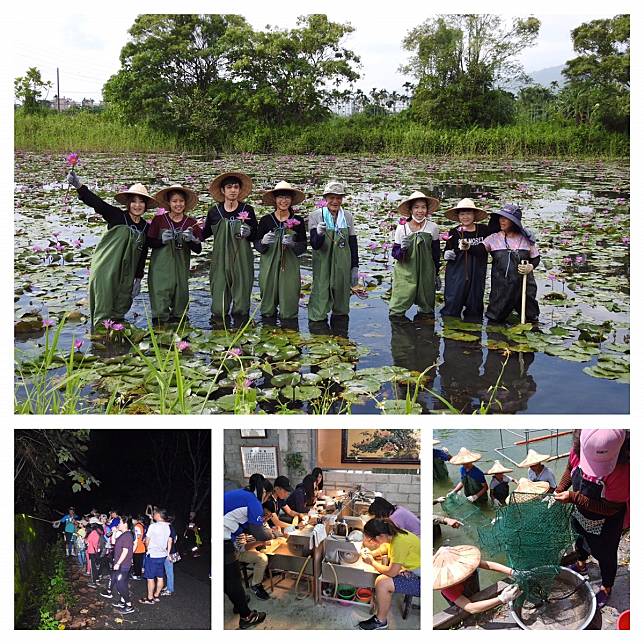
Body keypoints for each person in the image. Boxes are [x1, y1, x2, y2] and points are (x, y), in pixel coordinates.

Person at [66, 171, 158, 326]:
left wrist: (138, 278)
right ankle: (99, 340)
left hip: (127, 273)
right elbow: (97, 203)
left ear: (146, 205)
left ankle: (116, 340)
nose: (137, 205)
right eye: (134, 201)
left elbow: (143, 253)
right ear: (128, 204)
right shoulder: (116, 216)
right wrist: (79, 186)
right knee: (104, 307)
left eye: (141, 202)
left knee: (120, 307)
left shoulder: (145, 227)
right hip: (106, 269)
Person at [554, 429, 629, 609]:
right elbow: (570, 469)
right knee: (579, 541)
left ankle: (606, 587)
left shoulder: (623, 470)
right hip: (581, 513)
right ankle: (581, 565)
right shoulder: (577, 451)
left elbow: (611, 508)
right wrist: (559, 490)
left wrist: (573, 497)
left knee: (606, 555)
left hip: (606, 521)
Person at [202, 172, 257, 323]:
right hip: (220, 261)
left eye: (236, 187)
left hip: (242, 261)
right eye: (229, 187)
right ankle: (220, 330)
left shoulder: (248, 210)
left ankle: (240, 333)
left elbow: (256, 236)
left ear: (239, 190)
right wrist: (188, 234)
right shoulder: (214, 212)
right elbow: (204, 233)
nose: (233, 190)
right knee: (218, 310)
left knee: (241, 307)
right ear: (222, 190)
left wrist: (249, 232)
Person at [308, 181, 359, 329]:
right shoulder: (316, 216)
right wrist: (318, 233)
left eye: (339, 198)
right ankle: (317, 326)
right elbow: (315, 245)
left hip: (343, 262)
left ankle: (340, 330)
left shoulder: (348, 217)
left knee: (342, 295)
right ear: (325, 198)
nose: (335, 201)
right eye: (331, 197)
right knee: (321, 291)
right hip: (323, 262)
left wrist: (355, 266)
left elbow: (353, 243)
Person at [147, 185, 202, 323]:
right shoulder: (158, 220)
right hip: (161, 269)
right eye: (174, 201)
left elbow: (198, 249)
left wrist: (190, 240)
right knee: (160, 311)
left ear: (185, 203)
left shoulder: (191, 223)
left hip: (181, 269)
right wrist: (161, 241)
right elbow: (149, 242)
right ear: (168, 203)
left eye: (181, 201)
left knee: (180, 311)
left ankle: (181, 339)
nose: (178, 204)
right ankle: (160, 338)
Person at [255, 181, 307, 323]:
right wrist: (263, 242)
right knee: (267, 307)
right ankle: (267, 328)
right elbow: (257, 245)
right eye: (280, 197)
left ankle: (289, 330)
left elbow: (303, 246)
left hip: (289, 265)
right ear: (275, 200)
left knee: (289, 304)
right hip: (269, 265)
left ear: (291, 200)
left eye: (287, 198)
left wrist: (293, 244)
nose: (284, 201)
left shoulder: (297, 221)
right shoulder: (266, 220)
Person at [358, 518, 421, 630]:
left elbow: (391, 572)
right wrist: (372, 553)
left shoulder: (400, 543)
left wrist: (372, 562)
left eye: (372, 539)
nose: (372, 542)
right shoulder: (395, 534)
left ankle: (381, 621)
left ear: (380, 536)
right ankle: (380, 618)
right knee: (382, 577)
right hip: (414, 569)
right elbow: (386, 547)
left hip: (421, 580)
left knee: (382, 583)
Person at [483, 204, 540, 324]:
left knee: (530, 318)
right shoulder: (493, 239)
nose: (502, 220)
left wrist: (530, 266)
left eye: (506, 218)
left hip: (524, 284)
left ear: (514, 222)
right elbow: (478, 251)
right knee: (495, 319)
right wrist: (466, 246)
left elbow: (536, 258)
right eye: (500, 217)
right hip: (501, 285)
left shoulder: (526, 239)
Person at [224, 487, 272, 629]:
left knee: (228, 581)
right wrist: (262, 540)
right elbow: (242, 547)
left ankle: (239, 603)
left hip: (226, 542)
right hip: (228, 546)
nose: (266, 519)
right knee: (233, 580)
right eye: (266, 516)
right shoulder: (251, 509)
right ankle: (247, 616)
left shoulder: (241, 502)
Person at [441, 198, 496, 320]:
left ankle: (475, 332)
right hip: (457, 273)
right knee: (453, 301)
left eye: (469, 213)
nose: (466, 217)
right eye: (462, 214)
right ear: (458, 216)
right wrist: (447, 254)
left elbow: (499, 229)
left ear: (474, 215)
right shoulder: (454, 232)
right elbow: (447, 249)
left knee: (475, 304)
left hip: (477, 271)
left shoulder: (483, 230)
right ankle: (449, 331)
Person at [389, 191, 441, 319]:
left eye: (423, 207)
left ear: (427, 210)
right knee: (397, 309)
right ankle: (400, 333)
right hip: (405, 271)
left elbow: (435, 252)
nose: (420, 211)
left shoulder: (432, 227)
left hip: (426, 271)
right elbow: (394, 253)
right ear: (411, 209)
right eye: (416, 207)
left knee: (427, 308)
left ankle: (425, 333)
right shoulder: (402, 228)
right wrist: (403, 249)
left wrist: (437, 274)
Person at [433, 545, 520, 614]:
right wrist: (502, 598)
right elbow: (471, 608)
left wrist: (512, 572)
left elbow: (489, 565)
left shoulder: (467, 561)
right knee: (463, 609)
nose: (469, 572)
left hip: (473, 590)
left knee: (476, 595)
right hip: (462, 602)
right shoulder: (448, 588)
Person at [139, 508, 172, 605]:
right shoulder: (168, 527)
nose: (153, 515)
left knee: (150, 578)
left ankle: (150, 598)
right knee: (160, 576)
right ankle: (156, 595)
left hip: (153, 555)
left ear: (158, 515)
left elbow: (147, 540)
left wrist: (147, 548)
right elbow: (169, 540)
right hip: (162, 555)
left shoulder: (153, 526)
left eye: (154, 514)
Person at [107, 515, 135, 614]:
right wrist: (114, 531)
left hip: (123, 564)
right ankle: (123, 602)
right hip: (122, 563)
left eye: (119, 523)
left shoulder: (127, 535)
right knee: (121, 582)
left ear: (125, 524)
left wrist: (118, 563)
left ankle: (129, 605)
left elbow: (125, 551)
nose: (118, 524)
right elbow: (114, 542)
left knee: (120, 584)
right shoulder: (123, 534)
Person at [162, 514, 179, 597]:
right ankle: (169, 586)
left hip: (168, 553)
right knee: (167, 571)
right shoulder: (172, 528)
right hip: (170, 551)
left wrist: (168, 553)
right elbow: (175, 539)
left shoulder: (168, 528)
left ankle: (169, 589)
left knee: (169, 572)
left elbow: (170, 540)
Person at [132, 515, 146, 580]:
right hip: (141, 546)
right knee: (139, 562)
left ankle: (137, 575)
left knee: (137, 562)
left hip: (138, 547)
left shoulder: (137, 526)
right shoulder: (142, 526)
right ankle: (138, 574)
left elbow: (137, 536)